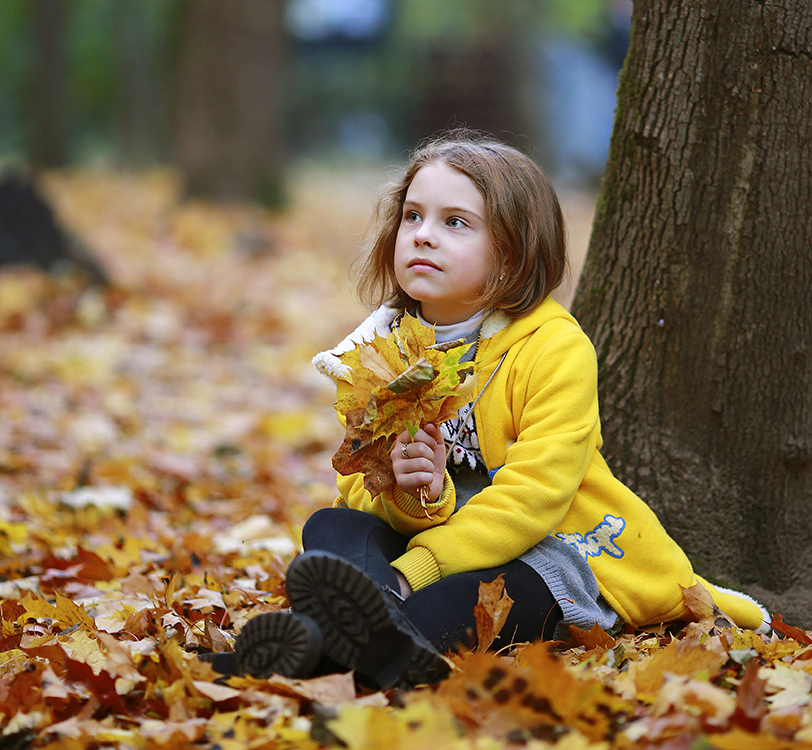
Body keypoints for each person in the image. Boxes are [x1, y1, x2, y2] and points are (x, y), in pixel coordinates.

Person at [202, 128, 769, 690]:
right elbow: (359, 487)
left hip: (543, 556)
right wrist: (412, 492)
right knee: (332, 526)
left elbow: (532, 498)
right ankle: (359, 644)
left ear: (512, 255)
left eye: (455, 223)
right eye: (413, 216)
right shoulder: (379, 351)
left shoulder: (554, 349)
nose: (423, 236)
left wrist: (410, 574)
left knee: (470, 595)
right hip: (430, 543)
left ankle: (319, 651)